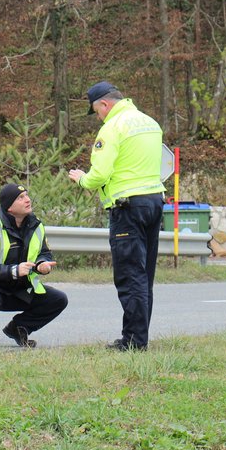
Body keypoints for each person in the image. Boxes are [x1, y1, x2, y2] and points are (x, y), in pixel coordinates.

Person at [68, 81, 164, 351]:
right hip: (154, 201)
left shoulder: (112, 127)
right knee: (145, 276)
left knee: (130, 276)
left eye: (96, 111)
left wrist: (81, 180)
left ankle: (134, 342)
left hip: (127, 208)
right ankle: (138, 336)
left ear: (104, 104)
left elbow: (98, 174)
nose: (98, 116)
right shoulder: (149, 122)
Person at [0, 183, 68, 348]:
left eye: (27, 195)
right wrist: (14, 270)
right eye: (21, 198)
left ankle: (19, 328)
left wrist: (41, 264)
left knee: (58, 299)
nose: (27, 200)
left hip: (21, 290)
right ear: (9, 207)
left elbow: (44, 252)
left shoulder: (36, 226)